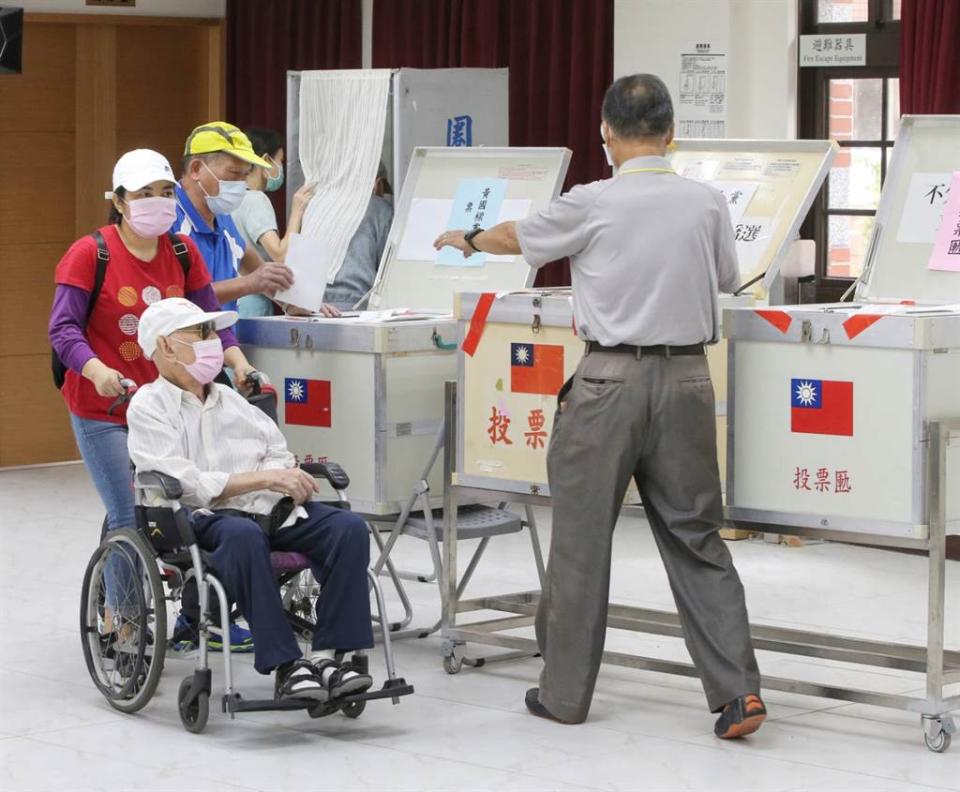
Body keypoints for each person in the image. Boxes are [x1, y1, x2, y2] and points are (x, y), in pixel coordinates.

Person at [435, 74, 765, 740]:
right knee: (696, 538)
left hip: (609, 383)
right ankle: (737, 695)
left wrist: (464, 240)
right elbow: (729, 279)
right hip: (688, 384)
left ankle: (564, 696)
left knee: (583, 541)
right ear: (673, 133)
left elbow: (513, 237)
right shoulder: (705, 203)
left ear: (606, 134)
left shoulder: (592, 200)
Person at [48, 149, 258, 649]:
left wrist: (240, 364)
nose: (158, 205)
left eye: (165, 194)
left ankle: (194, 617)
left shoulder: (182, 252)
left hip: (168, 404)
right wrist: (98, 370)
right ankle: (120, 623)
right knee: (130, 512)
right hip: (105, 407)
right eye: (144, 195)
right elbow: (63, 328)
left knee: (184, 508)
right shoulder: (89, 253)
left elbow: (209, 326)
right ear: (119, 201)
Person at [127, 297, 375, 701]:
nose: (212, 343)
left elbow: (275, 447)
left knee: (347, 528)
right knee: (242, 536)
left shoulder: (232, 401)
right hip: (194, 517)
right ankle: (286, 665)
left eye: (212, 332)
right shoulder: (149, 406)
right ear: (166, 346)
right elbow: (181, 481)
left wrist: (283, 476)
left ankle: (331, 655)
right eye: (200, 333)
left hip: (263, 511)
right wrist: (261, 477)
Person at [173, 121, 338, 317]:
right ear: (196, 169)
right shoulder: (168, 219)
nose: (240, 185)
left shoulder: (222, 218)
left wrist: (293, 302)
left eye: (245, 175)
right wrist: (248, 283)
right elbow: (176, 298)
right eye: (234, 173)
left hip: (222, 339)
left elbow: (255, 266)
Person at [231, 127, 316, 318]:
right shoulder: (256, 200)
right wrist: (297, 210)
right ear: (266, 160)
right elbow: (279, 254)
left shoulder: (232, 199)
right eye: (280, 161)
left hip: (234, 298)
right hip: (253, 302)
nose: (281, 167)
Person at [322, 161, 394, 310]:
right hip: (359, 305)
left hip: (318, 306)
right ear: (377, 183)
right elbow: (387, 267)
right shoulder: (381, 209)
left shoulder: (321, 205)